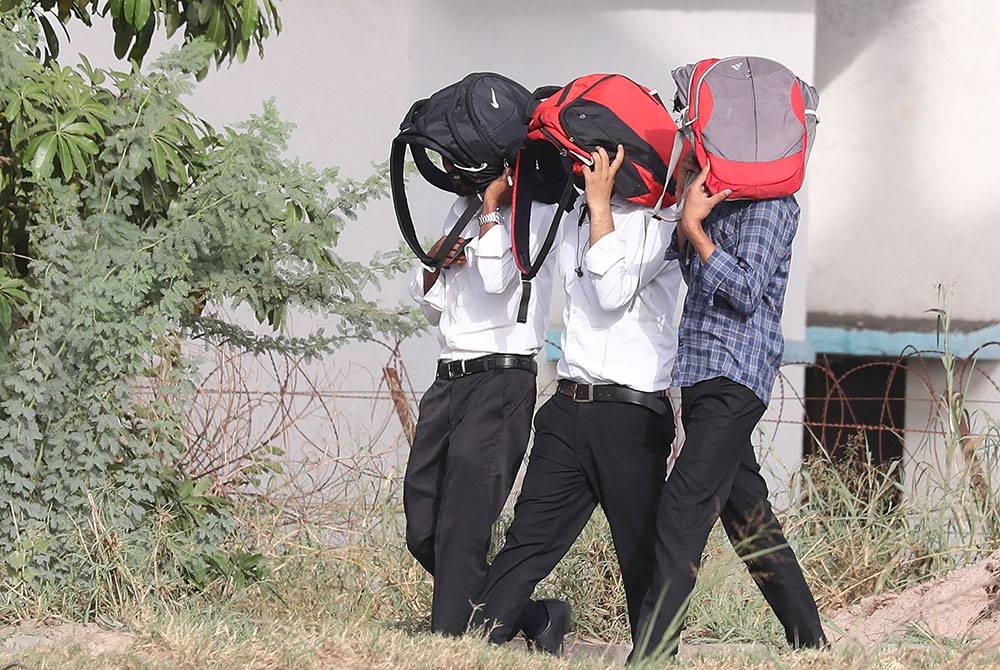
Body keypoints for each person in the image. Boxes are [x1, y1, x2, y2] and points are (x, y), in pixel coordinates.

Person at [472, 146, 681, 655]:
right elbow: (506, 274)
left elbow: (612, 291)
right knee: (526, 542)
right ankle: (476, 646)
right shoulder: (572, 215)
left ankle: (654, 659)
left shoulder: (662, 219)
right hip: (567, 406)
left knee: (639, 554)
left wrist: (603, 203)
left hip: (631, 412)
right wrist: (491, 209)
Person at [633, 160, 828, 659]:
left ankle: (652, 656)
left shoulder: (773, 206)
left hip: (736, 377)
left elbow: (745, 289)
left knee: (682, 506)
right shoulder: (715, 198)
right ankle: (812, 645)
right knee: (750, 520)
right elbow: (688, 270)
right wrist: (687, 215)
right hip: (700, 376)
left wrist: (695, 229)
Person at [403, 163, 557, 637]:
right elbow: (429, 304)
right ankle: (532, 616)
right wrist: (435, 261)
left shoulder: (540, 215)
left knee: (464, 525)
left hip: (500, 378)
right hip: (449, 376)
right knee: (423, 524)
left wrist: (493, 208)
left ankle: (448, 642)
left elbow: (495, 278)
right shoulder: (462, 208)